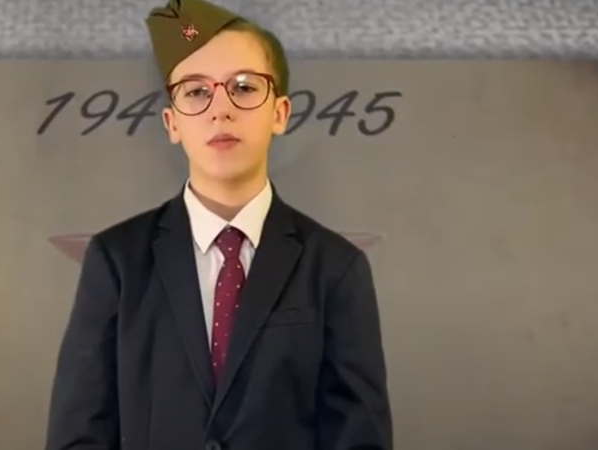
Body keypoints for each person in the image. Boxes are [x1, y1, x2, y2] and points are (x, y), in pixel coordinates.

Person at [44, 0, 393, 449]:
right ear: (171, 122)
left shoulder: (335, 268)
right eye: (195, 92)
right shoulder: (118, 261)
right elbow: (79, 434)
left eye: (244, 87)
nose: (220, 109)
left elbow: (359, 438)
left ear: (280, 112)